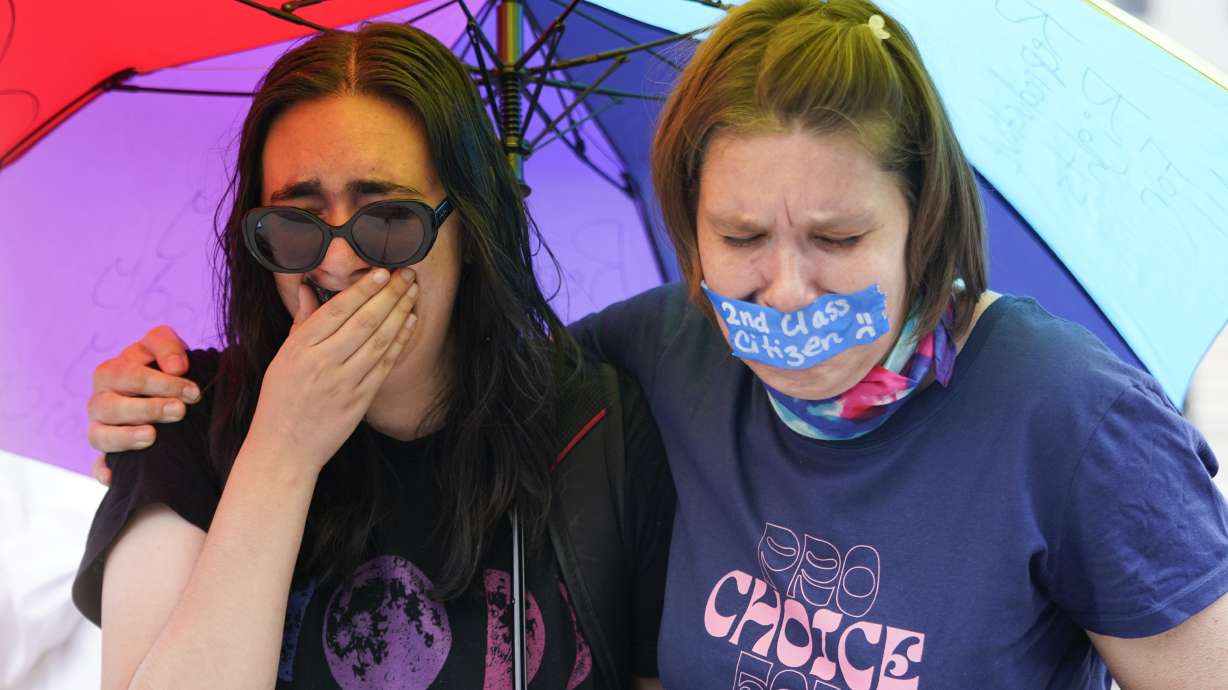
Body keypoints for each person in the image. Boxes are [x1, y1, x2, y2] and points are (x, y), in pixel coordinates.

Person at [86, 0, 1228, 687]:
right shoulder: (665, 359)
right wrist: (249, 430)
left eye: (837, 235)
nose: (785, 289)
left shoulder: (1065, 415)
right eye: (739, 236)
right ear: (685, 234)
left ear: (922, 218)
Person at [71, 22, 672, 690]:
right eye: (296, 223)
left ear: (470, 230)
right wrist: (283, 451)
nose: (337, 262)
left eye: (387, 219)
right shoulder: (177, 415)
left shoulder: (600, 426)